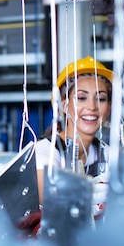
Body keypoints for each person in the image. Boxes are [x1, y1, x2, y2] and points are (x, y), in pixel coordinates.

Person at [34, 56, 115, 219]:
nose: (92, 107)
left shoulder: (107, 153)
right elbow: (48, 196)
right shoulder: (46, 151)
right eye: (81, 98)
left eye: (101, 99)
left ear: (109, 108)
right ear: (63, 105)